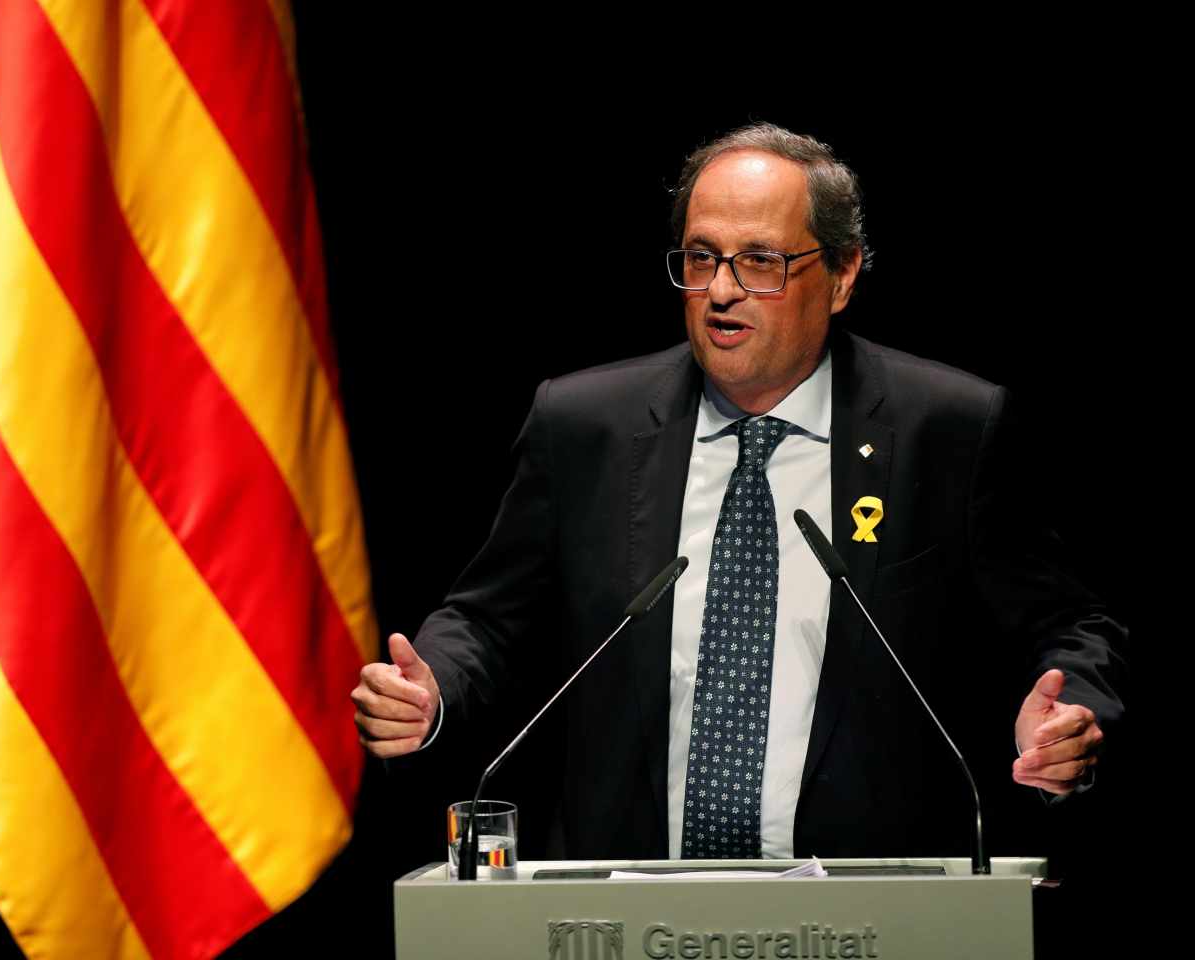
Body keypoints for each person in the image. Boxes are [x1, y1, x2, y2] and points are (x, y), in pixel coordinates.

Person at [350, 122, 1126, 861]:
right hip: (630, 897)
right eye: (700, 258)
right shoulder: (585, 424)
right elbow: (489, 618)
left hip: (872, 905)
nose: (721, 290)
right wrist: (434, 689)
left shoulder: (947, 427)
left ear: (844, 273)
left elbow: (1069, 623)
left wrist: (1065, 714)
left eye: (760, 261)